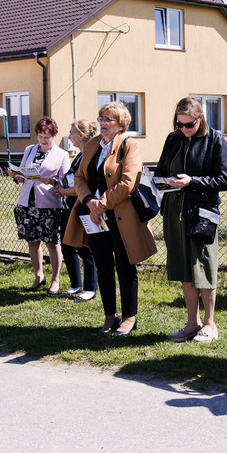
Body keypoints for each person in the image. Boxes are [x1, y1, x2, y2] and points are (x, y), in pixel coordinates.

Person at [63, 102, 157, 337]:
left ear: (121, 123)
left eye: (109, 119)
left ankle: (129, 317)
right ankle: (109, 315)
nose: (103, 123)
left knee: (125, 266)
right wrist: (90, 202)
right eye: (101, 118)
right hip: (95, 216)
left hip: (121, 217)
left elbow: (128, 182)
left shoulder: (129, 144)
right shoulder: (93, 144)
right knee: (103, 266)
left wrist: (102, 203)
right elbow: (79, 177)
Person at [156, 97, 227, 344]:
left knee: (204, 267)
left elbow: (224, 180)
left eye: (189, 124)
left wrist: (192, 181)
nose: (184, 129)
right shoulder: (173, 139)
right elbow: (161, 171)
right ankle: (192, 324)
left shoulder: (216, 140)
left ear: (200, 119)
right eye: (180, 124)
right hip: (174, 212)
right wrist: (164, 181)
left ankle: (210, 324)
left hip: (202, 214)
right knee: (184, 268)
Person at [10, 116, 70, 292]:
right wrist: (15, 176)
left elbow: (65, 182)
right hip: (27, 203)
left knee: (52, 242)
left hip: (49, 204)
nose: (43, 140)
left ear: (54, 135)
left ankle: (55, 280)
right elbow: (22, 176)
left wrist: (51, 181)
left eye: (47, 137)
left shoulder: (62, 154)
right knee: (32, 241)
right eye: (40, 136)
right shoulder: (30, 149)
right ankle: (39, 276)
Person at [54, 119, 99, 302]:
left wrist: (64, 191)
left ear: (80, 135)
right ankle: (75, 285)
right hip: (70, 206)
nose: (69, 136)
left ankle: (90, 288)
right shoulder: (80, 155)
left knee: (86, 248)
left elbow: (86, 186)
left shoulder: (91, 154)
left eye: (71, 132)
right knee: (67, 244)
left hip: (83, 206)